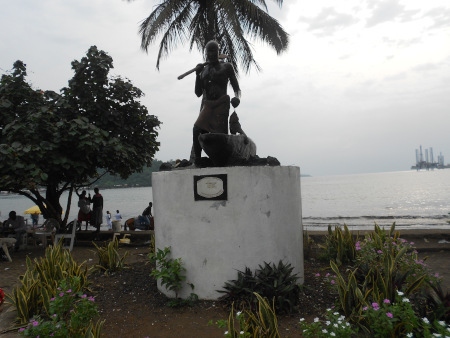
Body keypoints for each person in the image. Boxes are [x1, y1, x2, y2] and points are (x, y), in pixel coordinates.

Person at [193, 40, 241, 165]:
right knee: (197, 129)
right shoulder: (203, 70)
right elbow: (198, 93)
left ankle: (222, 160)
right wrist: (197, 75)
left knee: (220, 136)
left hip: (222, 103)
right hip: (208, 104)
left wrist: (237, 98)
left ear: (218, 52)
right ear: (206, 53)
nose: (211, 53)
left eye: (214, 50)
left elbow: (236, 86)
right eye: (209, 51)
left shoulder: (226, 67)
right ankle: (197, 160)